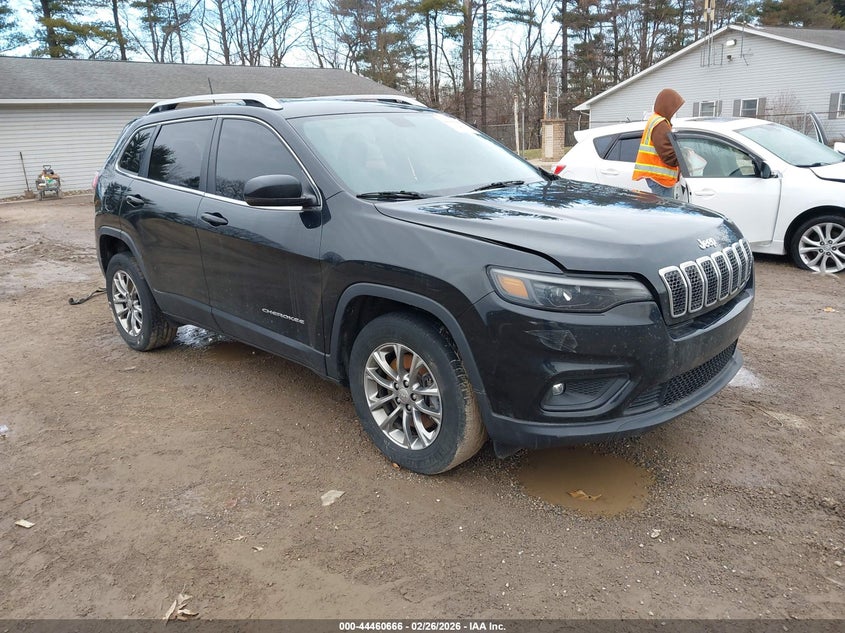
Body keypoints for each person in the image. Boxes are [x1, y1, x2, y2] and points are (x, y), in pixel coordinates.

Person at [632, 88, 685, 198]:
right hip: (659, 179)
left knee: (661, 210)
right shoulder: (660, 124)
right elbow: (668, 154)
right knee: (664, 211)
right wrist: (684, 160)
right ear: (668, 106)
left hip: (657, 178)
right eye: (674, 108)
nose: (674, 112)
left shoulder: (655, 120)